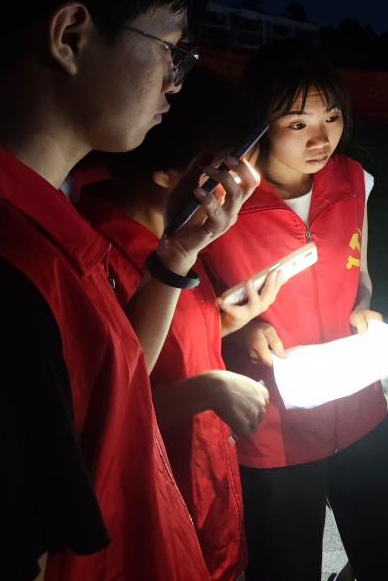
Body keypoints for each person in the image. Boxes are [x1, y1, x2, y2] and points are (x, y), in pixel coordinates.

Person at [0, 0, 258, 580]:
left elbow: (113, 386)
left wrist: (178, 252)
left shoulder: (39, 221)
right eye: (171, 50)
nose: (175, 82)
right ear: (70, 35)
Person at [200, 38, 388, 581]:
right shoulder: (217, 200)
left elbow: (361, 275)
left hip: (358, 407)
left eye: (332, 117)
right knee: (283, 569)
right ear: (259, 123)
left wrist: (364, 308)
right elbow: (186, 307)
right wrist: (237, 332)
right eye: (297, 123)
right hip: (271, 426)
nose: (321, 138)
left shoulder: (352, 180)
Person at [76, 71, 281, 581]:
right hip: (156, 509)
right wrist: (208, 389)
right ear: (175, 173)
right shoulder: (100, 255)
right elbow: (104, 404)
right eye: (236, 170)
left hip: (205, 495)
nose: (247, 187)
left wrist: (227, 321)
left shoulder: (171, 237)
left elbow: (159, 343)